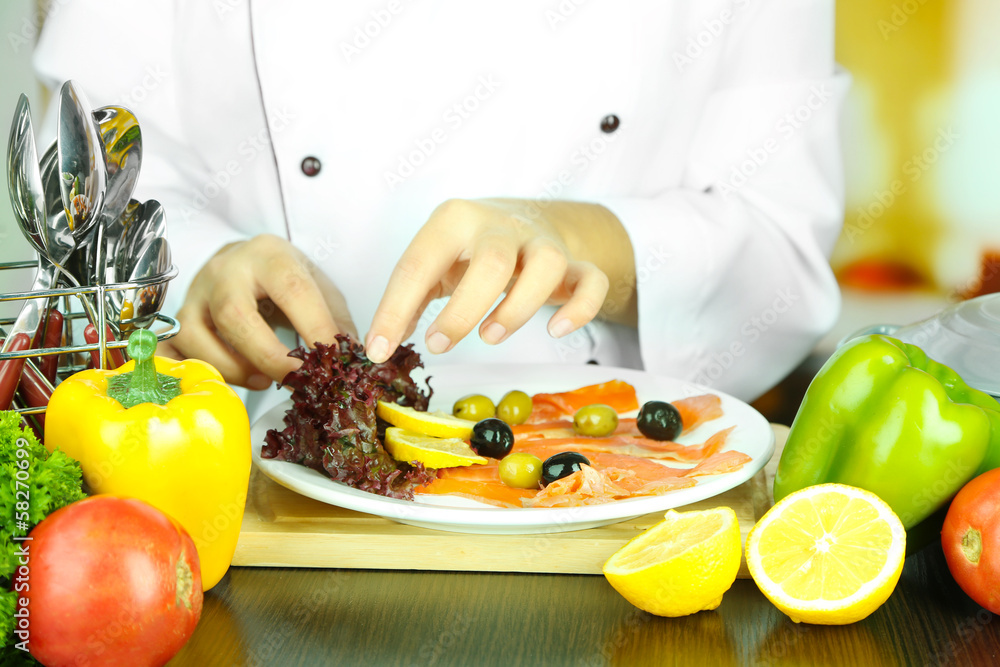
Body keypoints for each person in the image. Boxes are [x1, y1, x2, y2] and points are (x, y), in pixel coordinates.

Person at [33, 0, 848, 417]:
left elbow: (783, 245)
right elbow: (85, 176)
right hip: (254, 498)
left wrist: (578, 236)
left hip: (611, 507)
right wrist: (194, 273)